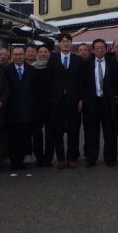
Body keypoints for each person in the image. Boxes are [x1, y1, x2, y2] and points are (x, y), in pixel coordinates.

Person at [48, 34, 85, 169]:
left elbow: (81, 81)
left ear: (71, 43)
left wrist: (81, 98)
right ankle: (60, 158)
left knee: (73, 130)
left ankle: (71, 158)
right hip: (57, 100)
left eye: (67, 41)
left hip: (73, 99)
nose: (65, 44)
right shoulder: (53, 59)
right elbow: (49, 80)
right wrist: (50, 99)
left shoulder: (77, 59)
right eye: (63, 42)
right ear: (59, 44)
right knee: (57, 130)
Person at [83, 39, 118, 167]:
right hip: (92, 102)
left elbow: (117, 83)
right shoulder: (86, 64)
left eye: (102, 47)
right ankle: (91, 158)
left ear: (106, 49)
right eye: (97, 48)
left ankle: (110, 158)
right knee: (92, 132)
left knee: (109, 132)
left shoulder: (113, 63)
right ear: (93, 50)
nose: (99, 50)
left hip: (108, 102)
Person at [7, 46, 37, 170]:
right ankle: (14, 161)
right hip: (12, 110)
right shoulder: (6, 70)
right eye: (16, 54)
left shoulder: (32, 70)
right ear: (12, 56)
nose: (18, 56)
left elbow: (36, 91)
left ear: (24, 56)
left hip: (27, 110)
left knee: (24, 136)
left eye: (20, 54)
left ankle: (21, 160)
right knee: (13, 137)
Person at [31, 45, 53, 167]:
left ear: (49, 53)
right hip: (36, 106)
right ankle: (39, 158)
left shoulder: (53, 68)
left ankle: (49, 158)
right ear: (37, 54)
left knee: (50, 134)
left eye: (45, 51)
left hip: (50, 106)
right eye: (41, 52)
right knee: (37, 134)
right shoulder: (31, 69)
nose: (43, 54)